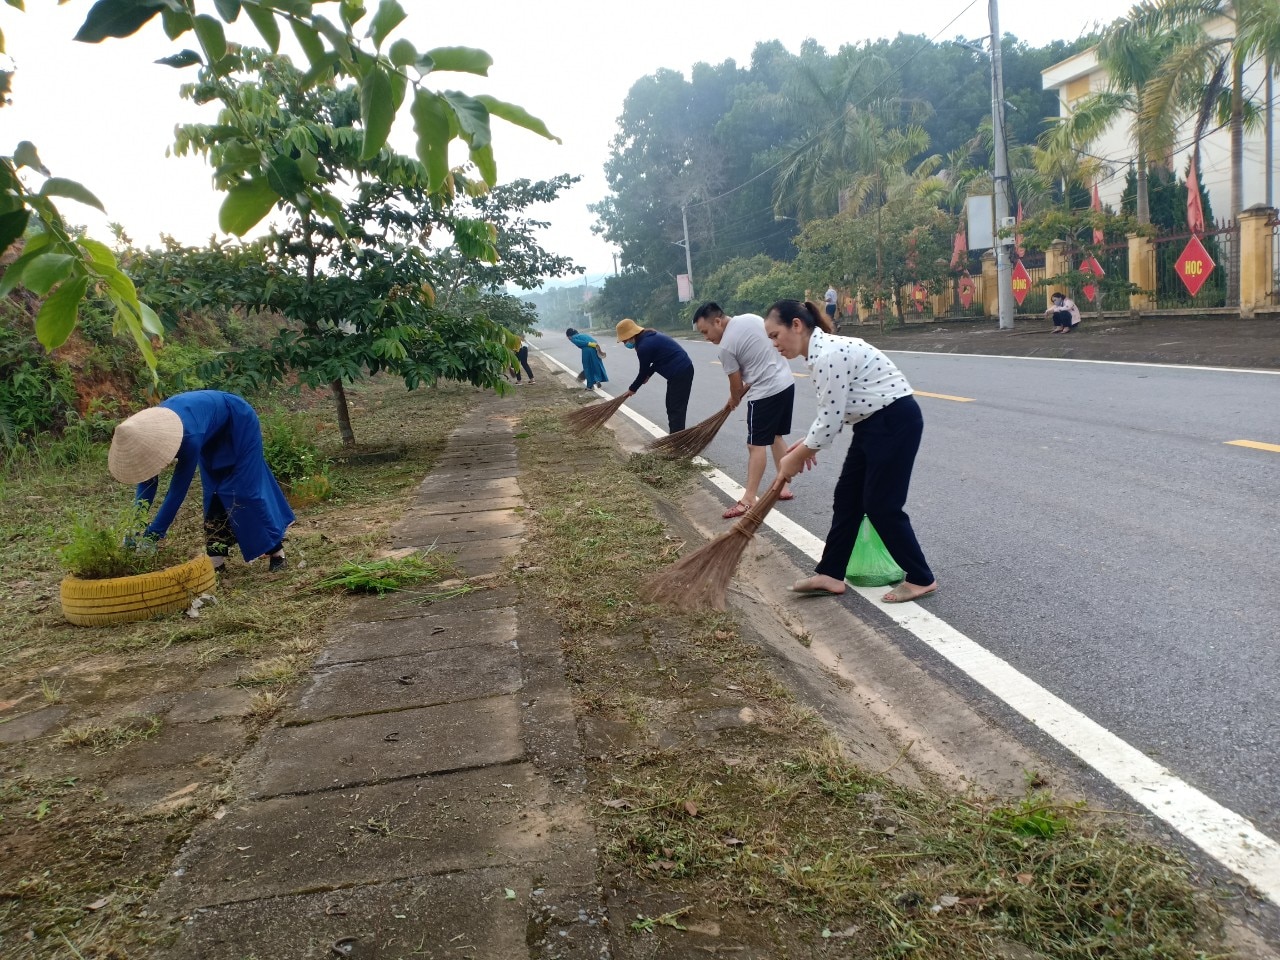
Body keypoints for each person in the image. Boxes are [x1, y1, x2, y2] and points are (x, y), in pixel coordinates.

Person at [765, 299, 936, 604]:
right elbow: (833, 411)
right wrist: (806, 444)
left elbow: (830, 419)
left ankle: (921, 578)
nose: (774, 344)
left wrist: (800, 453)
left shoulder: (827, 354)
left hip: (894, 421)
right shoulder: (820, 353)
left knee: (882, 504)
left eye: (775, 335)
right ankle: (830, 574)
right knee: (848, 497)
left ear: (796, 325)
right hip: (871, 425)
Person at [108, 390, 294, 573]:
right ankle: (216, 560)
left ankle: (277, 553)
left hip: (237, 422)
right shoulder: (145, 436)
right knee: (213, 492)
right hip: (209, 430)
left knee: (244, 491)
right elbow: (147, 483)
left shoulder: (188, 438)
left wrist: (153, 535)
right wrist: (133, 528)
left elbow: (177, 492)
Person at [692, 302, 796, 518]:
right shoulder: (750, 318)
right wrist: (737, 395)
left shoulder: (726, 347)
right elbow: (759, 361)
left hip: (766, 393)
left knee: (755, 445)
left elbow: (736, 384)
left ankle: (748, 499)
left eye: (706, 331)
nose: (706, 337)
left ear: (718, 322)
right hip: (786, 384)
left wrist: (734, 397)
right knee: (775, 436)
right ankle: (783, 486)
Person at [615, 318, 695, 433]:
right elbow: (657, 361)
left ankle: (677, 440)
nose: (624, 343)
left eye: (624, 340)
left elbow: (642, 371)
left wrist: (632, 389)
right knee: (671, 406)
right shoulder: (648, 336)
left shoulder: (644, 346)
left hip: (681, 372)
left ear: (631, 335)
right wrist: (649, 374)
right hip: (679, 371)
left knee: (676, 409)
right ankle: (675, 437)